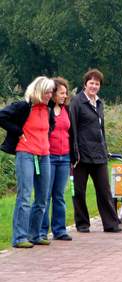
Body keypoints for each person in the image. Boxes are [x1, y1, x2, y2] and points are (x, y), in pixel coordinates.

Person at [0, 76, 55, 248]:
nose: (50, 95)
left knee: (43, 197)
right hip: (25, 154)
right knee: (25, 195)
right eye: (47, 92)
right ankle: (20, 237)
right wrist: (18, 131)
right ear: (38, 90)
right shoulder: (24, 106)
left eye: (51, 92)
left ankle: (35, 234)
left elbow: (50, 126)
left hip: (44, 155)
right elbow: (1, 116)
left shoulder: (48, 109)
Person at [69, 68, 121, 233]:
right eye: (91, 83)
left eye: (97, 83)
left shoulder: (99, 103)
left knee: (104, 190)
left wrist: (105, 149)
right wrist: (74, 151)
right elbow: (73, 129)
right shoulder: (76, 102)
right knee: (79, 191)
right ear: (85, 84)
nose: (94, 86)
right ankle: (82, 223)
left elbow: (101, 129)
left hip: (99, 154)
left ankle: (111, 224)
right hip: (81, 155)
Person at [40, 77, 72, 241]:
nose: (64, 96)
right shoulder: (45, 110)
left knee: (59, 195)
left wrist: (74, 155)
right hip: (49, 157)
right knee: (45, 195)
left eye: (65, 93)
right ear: (52, 94)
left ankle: (59, 230)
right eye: (61, 93)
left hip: (64, 157)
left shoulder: (67, 110)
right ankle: (41, 231)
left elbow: (71, 133)